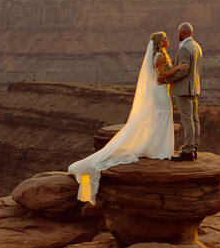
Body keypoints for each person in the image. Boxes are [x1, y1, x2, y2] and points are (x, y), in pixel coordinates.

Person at [68, 31, 180, 202]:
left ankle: (159, 148)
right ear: (160, 41)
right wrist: (178, 68)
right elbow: (163, 75)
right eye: (165, 38)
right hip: (161, 92)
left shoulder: (158, 55)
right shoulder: (159, 56)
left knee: (161, 118)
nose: (168, 40)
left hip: (160, 91)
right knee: (164, 117)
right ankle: (160, 150)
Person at [159, 22, 202, 161]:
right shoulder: (196, 46)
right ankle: (194, 147)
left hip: (184, 89)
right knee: (194, 119)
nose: (177, 34)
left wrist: (167, 80)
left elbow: (183, 72)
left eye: (178, 32)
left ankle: (188, 151)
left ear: (182, 33)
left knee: (187, 120)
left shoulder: (185, 48)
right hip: (194, 87)